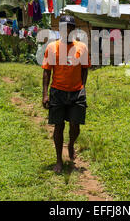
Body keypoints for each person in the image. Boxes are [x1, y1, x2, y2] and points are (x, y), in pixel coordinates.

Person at [42, 15, 91, 173]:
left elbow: (85, 69)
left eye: (70, 27)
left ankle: (70, 144)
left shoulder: (82, 47)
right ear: (60, 30)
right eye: (65, 27)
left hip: (77, 92)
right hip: (57, 91)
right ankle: (58, 160)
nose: (67, 30)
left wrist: (82, 86)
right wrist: (45, 94)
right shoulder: (52, 47)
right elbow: (46, 72)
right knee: (58, 126)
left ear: (74, 30)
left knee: (75, 126)